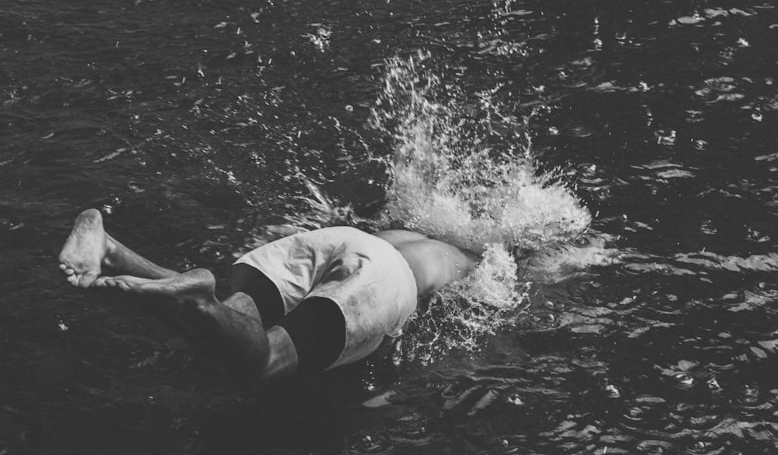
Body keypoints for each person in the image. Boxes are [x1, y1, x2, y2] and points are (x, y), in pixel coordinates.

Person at [57, 209, 480, 385]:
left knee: (231, 319)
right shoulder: (467, 257)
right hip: (381, 278)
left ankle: (112, 251)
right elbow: (493, 300)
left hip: (336, 241)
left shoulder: (403, 229)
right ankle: (196, 301)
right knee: (267, 360)